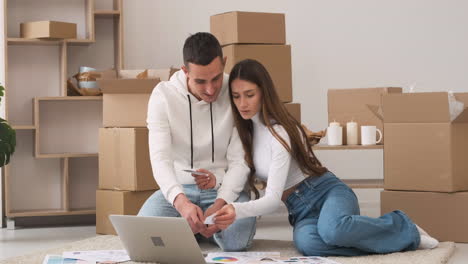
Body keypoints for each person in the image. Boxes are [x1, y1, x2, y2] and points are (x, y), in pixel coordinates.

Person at [207, 59, 439, 256]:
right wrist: (215, 180)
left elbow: (271, 200)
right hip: (300, 210)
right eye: (236, 97)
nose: (242, 103)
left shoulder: (281, 132)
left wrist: (236, 210)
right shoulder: (244, 134)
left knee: (333, 231)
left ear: (264, 93)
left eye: (249, 95)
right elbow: (238, 172)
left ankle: (403, 228)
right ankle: (388, 239)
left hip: (327, 192)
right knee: (308, 244)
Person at [137, 33, 256, 251]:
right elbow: (160, 159)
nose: (211, 90)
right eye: (201, 81)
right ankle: (199, 227)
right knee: (141, 237)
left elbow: (240, 161)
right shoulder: (162, 95)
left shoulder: (236, 91)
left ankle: (193, 229)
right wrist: (181, 203)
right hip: (181, 189)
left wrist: (220, 203)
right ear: (185, 71)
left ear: (224, 63)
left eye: (216, 78)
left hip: (224, 187)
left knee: (238, 239)